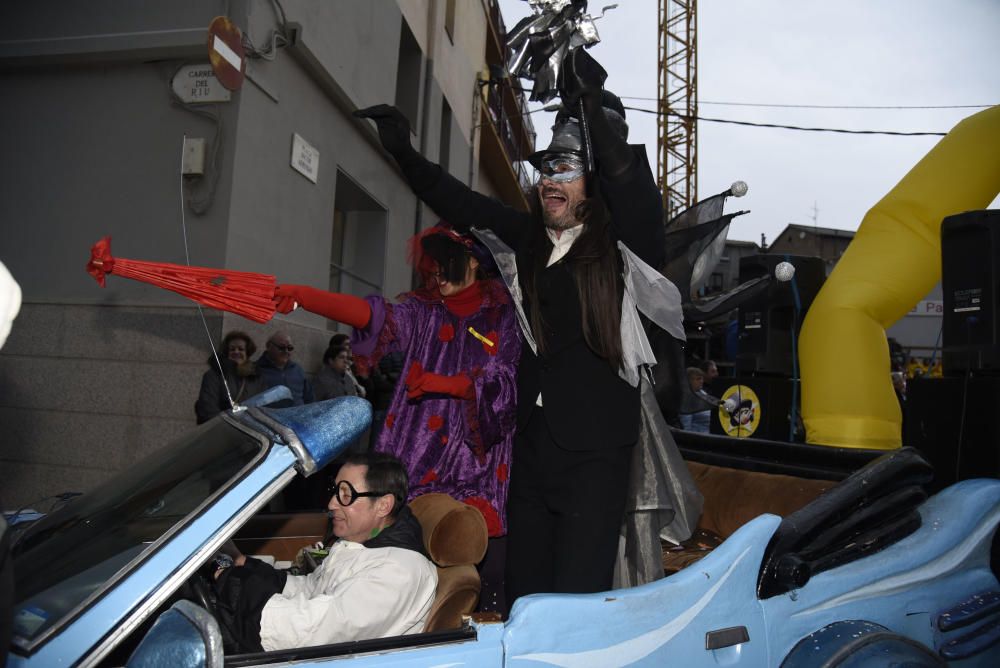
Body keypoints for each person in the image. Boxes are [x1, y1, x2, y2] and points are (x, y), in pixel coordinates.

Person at [353, 47, 691, 605]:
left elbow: (631, 185)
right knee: (525, 599)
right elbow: (459, 201)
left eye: (564, 169)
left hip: (596, 457)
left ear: (595, 180)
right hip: (531, 453)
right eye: (543, 170)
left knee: (575, 602)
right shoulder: (531, 239)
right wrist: (403, 153)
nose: (546, 181)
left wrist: (589, 109)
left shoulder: (626, 245)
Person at [273, 225, 519, 612]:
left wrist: (452, 384)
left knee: (482, 593)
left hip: (479, 473)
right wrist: (306, 297)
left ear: (474, 261)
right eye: (433, 262)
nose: (437, 271)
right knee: (398, 584)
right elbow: (374, 316)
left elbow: (507, 382)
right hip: (416, 469)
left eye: (447, 261)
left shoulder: (503, 314)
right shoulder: (422, 311)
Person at [211, 452, 437, 653]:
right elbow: (312, 587)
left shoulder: (398, 572)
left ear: (383, 505)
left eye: (345, 495)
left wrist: (237, 587)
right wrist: (244, 565)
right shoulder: (359, 545)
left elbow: (309, 632)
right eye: (335, 491)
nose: (331, 504)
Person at [195, 330, 266, 424]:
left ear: (247, 353)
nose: (236, 352)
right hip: (221, 430)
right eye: (232, 349)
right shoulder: (214, 375)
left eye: (241, 349)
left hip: (250, 432)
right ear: (226, 352)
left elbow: (263, 407)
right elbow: (208, 407)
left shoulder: (256, 378)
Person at [256, 331, 313, 406]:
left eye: (289, 348)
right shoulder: (256, 370)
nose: (286, 351)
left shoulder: (298, 370)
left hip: (299, 416)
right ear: (268, 346)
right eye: (281, 347)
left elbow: (310, 399)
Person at [679, 367, 719, 433]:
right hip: (700, 439)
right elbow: (686, 429)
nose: (701, 381)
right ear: (689, 381)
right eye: (698, 379)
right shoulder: (687, 400)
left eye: (702, 378)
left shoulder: (703, 392)